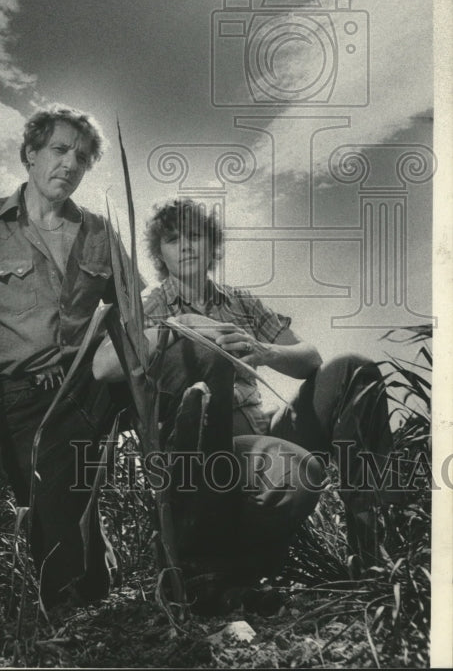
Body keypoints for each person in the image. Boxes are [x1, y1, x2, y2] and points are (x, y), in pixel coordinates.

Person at [93, 198, 398, 605]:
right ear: (159, 252)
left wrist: (264, 351)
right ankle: (215, 570)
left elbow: (310, 359)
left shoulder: (240, 301)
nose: (185, 245)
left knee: (352, 370)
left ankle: (374, 555)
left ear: (212, 245)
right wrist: (179, 326)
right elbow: (104, 367)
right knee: (294, 472)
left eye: (195, 235)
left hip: (260, 429)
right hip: (199, 453)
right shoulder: (152, 306)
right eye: (172, 238)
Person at [0, 105, 118, 608]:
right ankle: (86, 598)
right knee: (59, 533)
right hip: (24, 400)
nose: (70, 164)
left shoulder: (100, 231)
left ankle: (206, 560)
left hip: (91, 393)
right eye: (59, 150)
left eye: (81, 157)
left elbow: (139, 315)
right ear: (30, 154)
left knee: (62, 565)